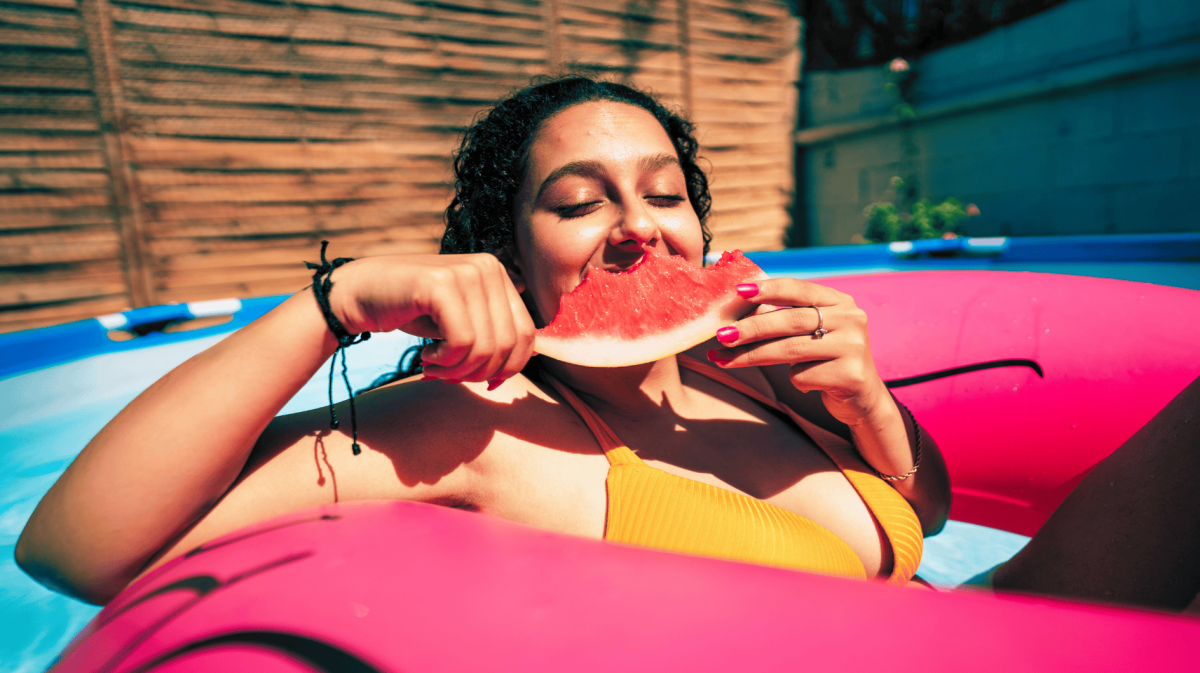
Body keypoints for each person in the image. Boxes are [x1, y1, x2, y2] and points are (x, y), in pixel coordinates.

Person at [15, 77, 1199, 613]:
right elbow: (74, 551)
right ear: (503, 248)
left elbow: (928, 521)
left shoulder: (756, 363)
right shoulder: (469, 431)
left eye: (665, 193)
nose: (638, 224)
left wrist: (877, 416)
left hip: (1000, 618)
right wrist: (330, 304)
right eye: (579, 203)